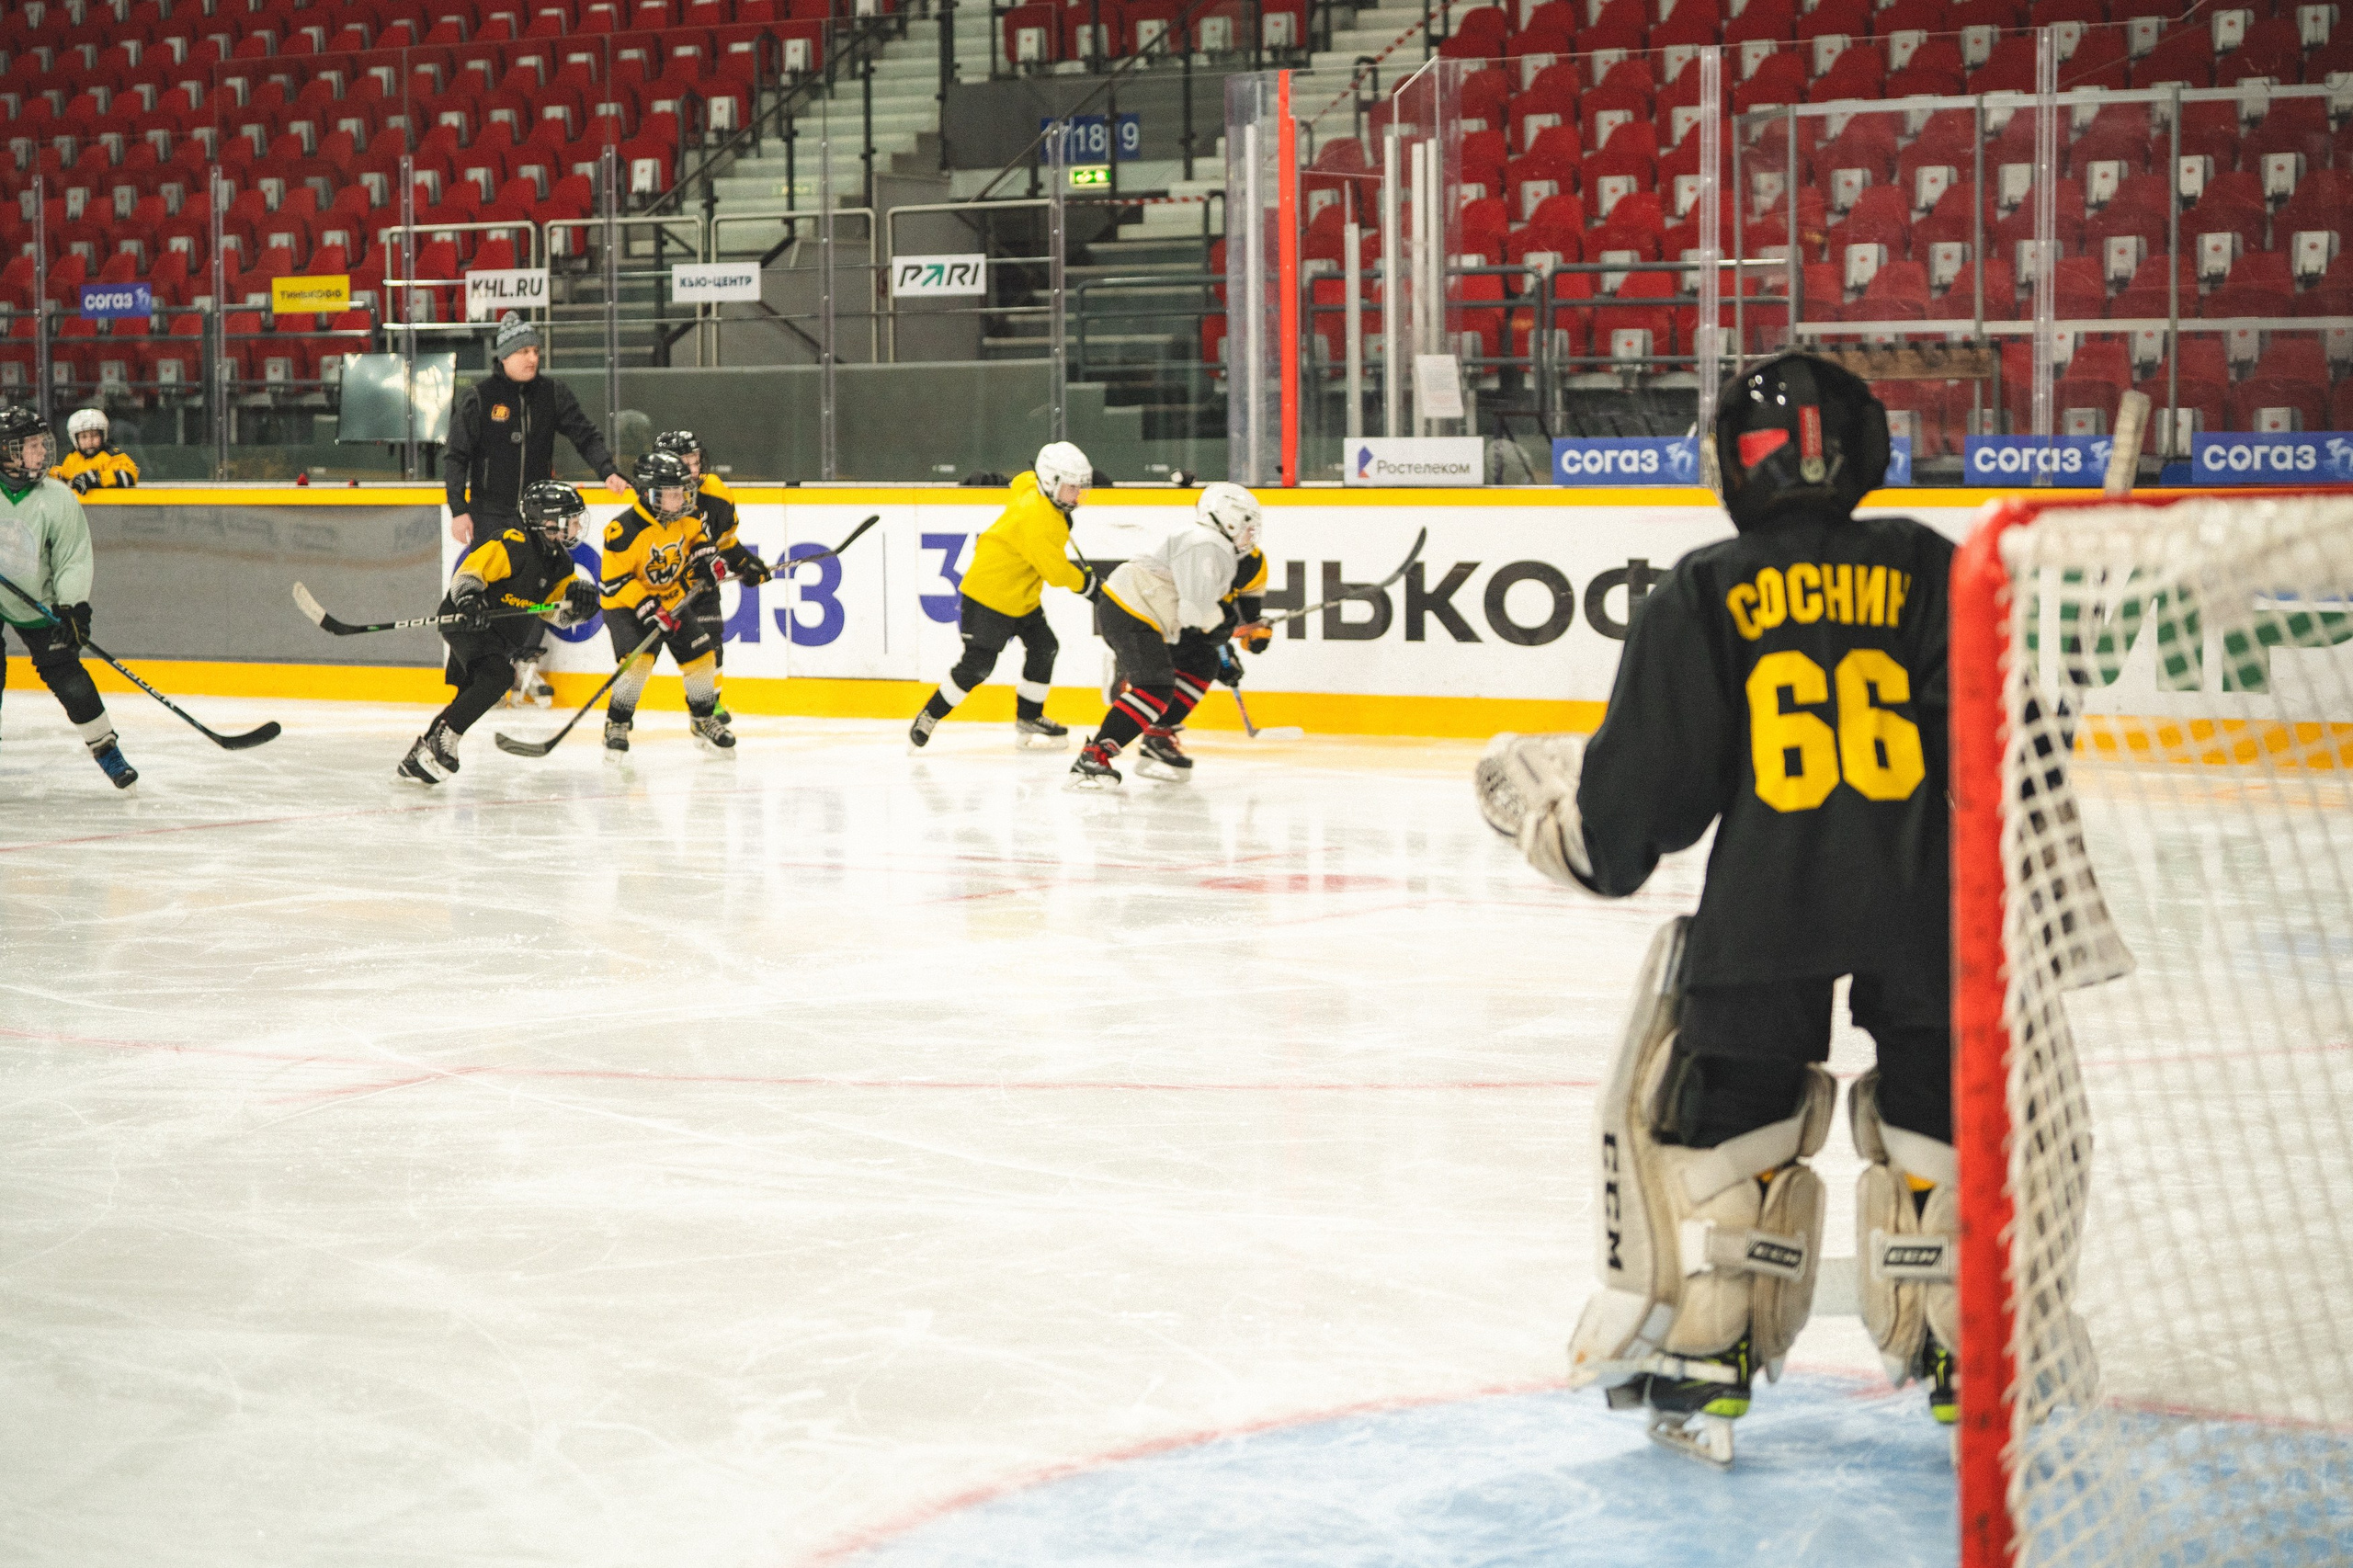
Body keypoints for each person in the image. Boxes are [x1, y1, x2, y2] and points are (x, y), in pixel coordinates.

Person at [1476, 355, 1955, 1468]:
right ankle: (1962, 1339)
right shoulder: (1932, 565)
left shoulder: (1704, 587)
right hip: (1931, 888)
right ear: (1862, 448)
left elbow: (1643, 810)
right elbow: (2012, 741)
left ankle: (1712, 1347)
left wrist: (1570, 837)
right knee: (1944, 1111)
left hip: (1766, 893)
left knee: (1730, 1110)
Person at [444, 313, 631, 705]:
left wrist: (607, 472)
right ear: (505, 355)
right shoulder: (480, 398)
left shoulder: (553, 394)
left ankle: (525, 663)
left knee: (536, 587)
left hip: (539, 517)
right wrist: (459, 508)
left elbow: (585, 434)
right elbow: (456, 456)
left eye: (536, 351)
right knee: (490, 589)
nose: (532, 358)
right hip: (490, 511)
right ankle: (487, 670)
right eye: (524, 351)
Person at [396, 482, 601, 785]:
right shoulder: (514, 544)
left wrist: (578, 609)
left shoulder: (561, 564)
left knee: (473, 692)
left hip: (497, 637)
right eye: (571, 519)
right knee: (498, 677)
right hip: (464, 622)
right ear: (548, 521)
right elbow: (469, 574)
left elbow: (552, 613)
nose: (577, 525)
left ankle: (418, 757)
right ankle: (445, 739)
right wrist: (470, 600)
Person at [907, 441, 1098, 753]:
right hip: (988, 596)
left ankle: (1029, 717)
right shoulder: (1036, 518)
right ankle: (930, 715)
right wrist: (1090, 585)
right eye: (1072, 488)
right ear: (1050, 483)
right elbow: (1057, 572)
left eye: (1080, 487)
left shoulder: (1033, 488)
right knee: (978, 666)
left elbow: (1023, 479)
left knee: (1044, 647)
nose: (1078, 496)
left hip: (1022, 597)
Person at [1077, 483, 1267, 787]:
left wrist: (1222, 645)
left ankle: (1157, 737)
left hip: (1151, 615)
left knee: (1203, 662)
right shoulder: (1206, 543)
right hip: (1132, 610)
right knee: (1154, 686)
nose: (1250, 534)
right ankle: (1094, 755)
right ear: (1228, 519)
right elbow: (1196, 611)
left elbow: (1202, 610)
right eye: (1246, 525)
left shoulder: (1219, 546)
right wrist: (1222, 629)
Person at [0, 404, 137, 788]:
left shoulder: (57, 498)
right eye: (31, 445)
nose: (42, 452)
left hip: (38, 597)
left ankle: (106, 749)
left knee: (66, 673)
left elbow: (72, 559)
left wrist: (73, 607)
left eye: (44, 444)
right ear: (7, 450)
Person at [597, 449, 733, 756]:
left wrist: (708, 561)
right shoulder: (622, 531)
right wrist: (648, 608)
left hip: (671, 599)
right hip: (625, 607)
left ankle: (703, 719)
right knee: (638, 663)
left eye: (682, 492)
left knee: (702, 656)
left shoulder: (685, 517)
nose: (681, 499)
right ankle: (617, 723)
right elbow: (615, 582)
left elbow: (699, 540)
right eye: (672, 494)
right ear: (648, 494)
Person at [654, 428, 771, 724]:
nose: (693, 470)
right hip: (660, 591)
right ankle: (621, 713)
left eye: (695, 461)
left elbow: (725, 543)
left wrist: (745, 563)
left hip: (701, 587)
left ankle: (707, 708)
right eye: (684, 462)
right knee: (642, 653)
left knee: (711, 646)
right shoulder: (653, 501)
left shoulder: (715, 492)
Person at [51, 408, 140, 493]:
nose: (89, 441)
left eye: (94, 436)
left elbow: (129, 476)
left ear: (103, 435)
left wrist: (98, 478)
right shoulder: (73, 458)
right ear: (75, 439)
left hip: (108, 507)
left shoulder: (112, 455)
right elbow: (63, 476)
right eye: (84, 437)